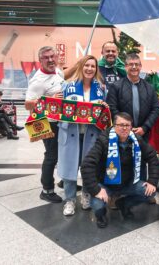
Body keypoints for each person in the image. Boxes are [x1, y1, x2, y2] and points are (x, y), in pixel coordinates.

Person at [80, 112, 159, 228]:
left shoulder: (136, 140)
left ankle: (124, 204)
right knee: (97, 204)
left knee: (151, 192)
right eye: (120, 125)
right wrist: (96, 190)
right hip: (105, 184)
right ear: (114, 125)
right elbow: (87, 165)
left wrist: (152, 181)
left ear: (131, 127)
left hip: (127, 183)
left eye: (127, 125)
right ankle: (101, 215)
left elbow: (152, 156)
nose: (124, 128)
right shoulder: (103, 140)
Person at [58, 55, 107, 216]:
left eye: (93, 66)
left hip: (91, 135)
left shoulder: (101, 89)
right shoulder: (67, 86)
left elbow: (105, 114)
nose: (89, 69)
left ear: (96, 69)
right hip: (71, 133)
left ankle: (86, 194)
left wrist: (104, 107)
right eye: (86, 65)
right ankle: (70, 200)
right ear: (81, 67)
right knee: (69, 169)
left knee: (89, 168)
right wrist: (57, 100)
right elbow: (57, 110)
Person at [25, 46, 64, 203]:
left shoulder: (58, 71)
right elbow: (27, 104)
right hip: (45, 122)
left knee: (62, 153)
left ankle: (65, 181)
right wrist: (50, 100)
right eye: (46, 57)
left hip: (59, 121)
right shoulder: (37, 81)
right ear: (40, 60)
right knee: (51, 156)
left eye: (52, 56)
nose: (50, 60)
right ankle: (46, 190)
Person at [107, 53, 159, 142]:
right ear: (126, 67)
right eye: (131, 64)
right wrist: (125, 127)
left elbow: (156, 109)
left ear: (141, 66)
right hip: (121, 135)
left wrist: (144, 128)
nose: (134, 67)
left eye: (137, 64)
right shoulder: (116, 86)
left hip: (144, 134)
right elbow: (112, 109)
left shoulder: (149, 87)